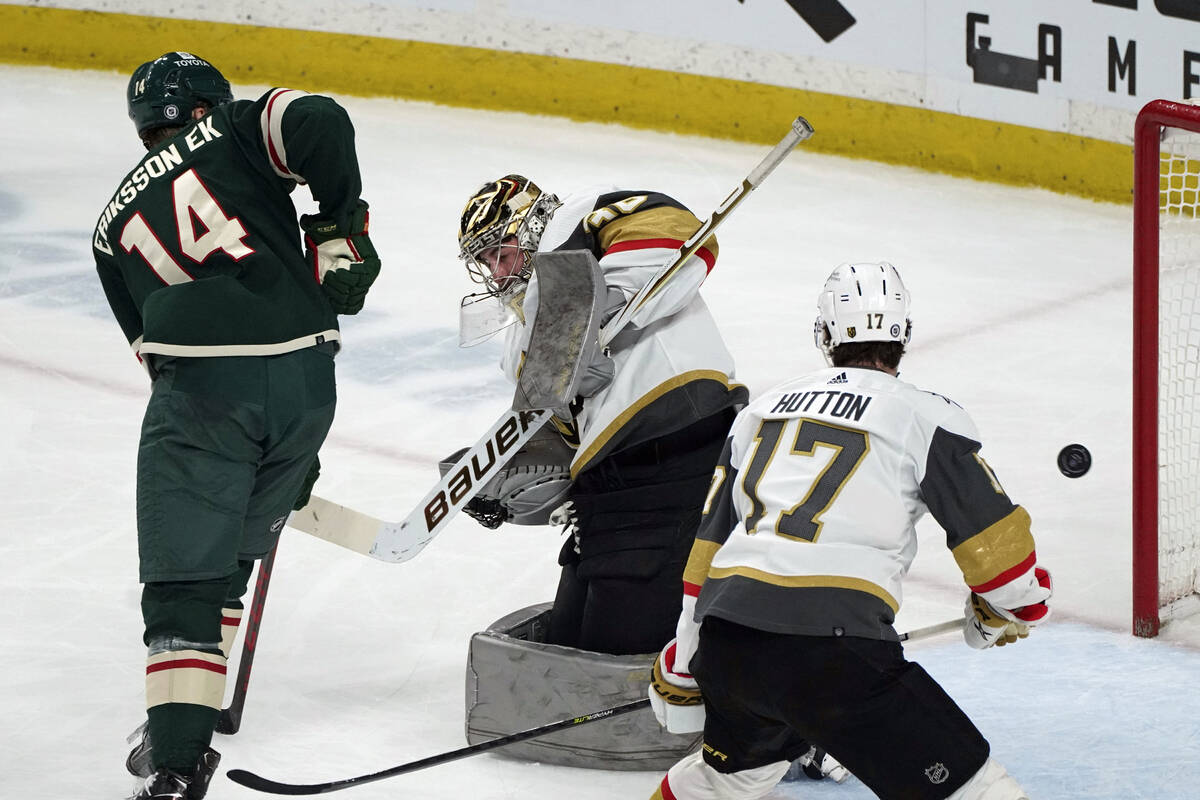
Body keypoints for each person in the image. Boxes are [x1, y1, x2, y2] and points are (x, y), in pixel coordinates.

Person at [648, 262, 1053, 800]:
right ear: (903, 336)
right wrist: (1010, 605)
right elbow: (1004, 566)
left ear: (823, 335)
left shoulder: (762, 411)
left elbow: (705, 555)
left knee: (724, 781)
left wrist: (686, 656)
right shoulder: (925, 417)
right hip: (834, 653)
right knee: (978, 793)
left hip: (729, 641)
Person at [93, 52, 381, 799]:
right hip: (309, 386)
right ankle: (187, 708)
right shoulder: (233, 125)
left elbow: (154, 353)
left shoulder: (108, 227)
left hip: (206, 389)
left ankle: (179, 764)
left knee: (187, 582)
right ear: (206, 103)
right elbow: (319, 119)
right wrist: (339, 230)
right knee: (230, 564)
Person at [454, 175, 747, 656]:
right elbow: (563, 440)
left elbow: (679, 230)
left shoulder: (573, 226)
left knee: (623, 651)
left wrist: (595, 307)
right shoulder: (525, 343)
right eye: (486, 262)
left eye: (501, 251)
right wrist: (509, 489)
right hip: (611, 492)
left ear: (529, 229)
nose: (498, 271)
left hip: (680, 450)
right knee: (573, 644)